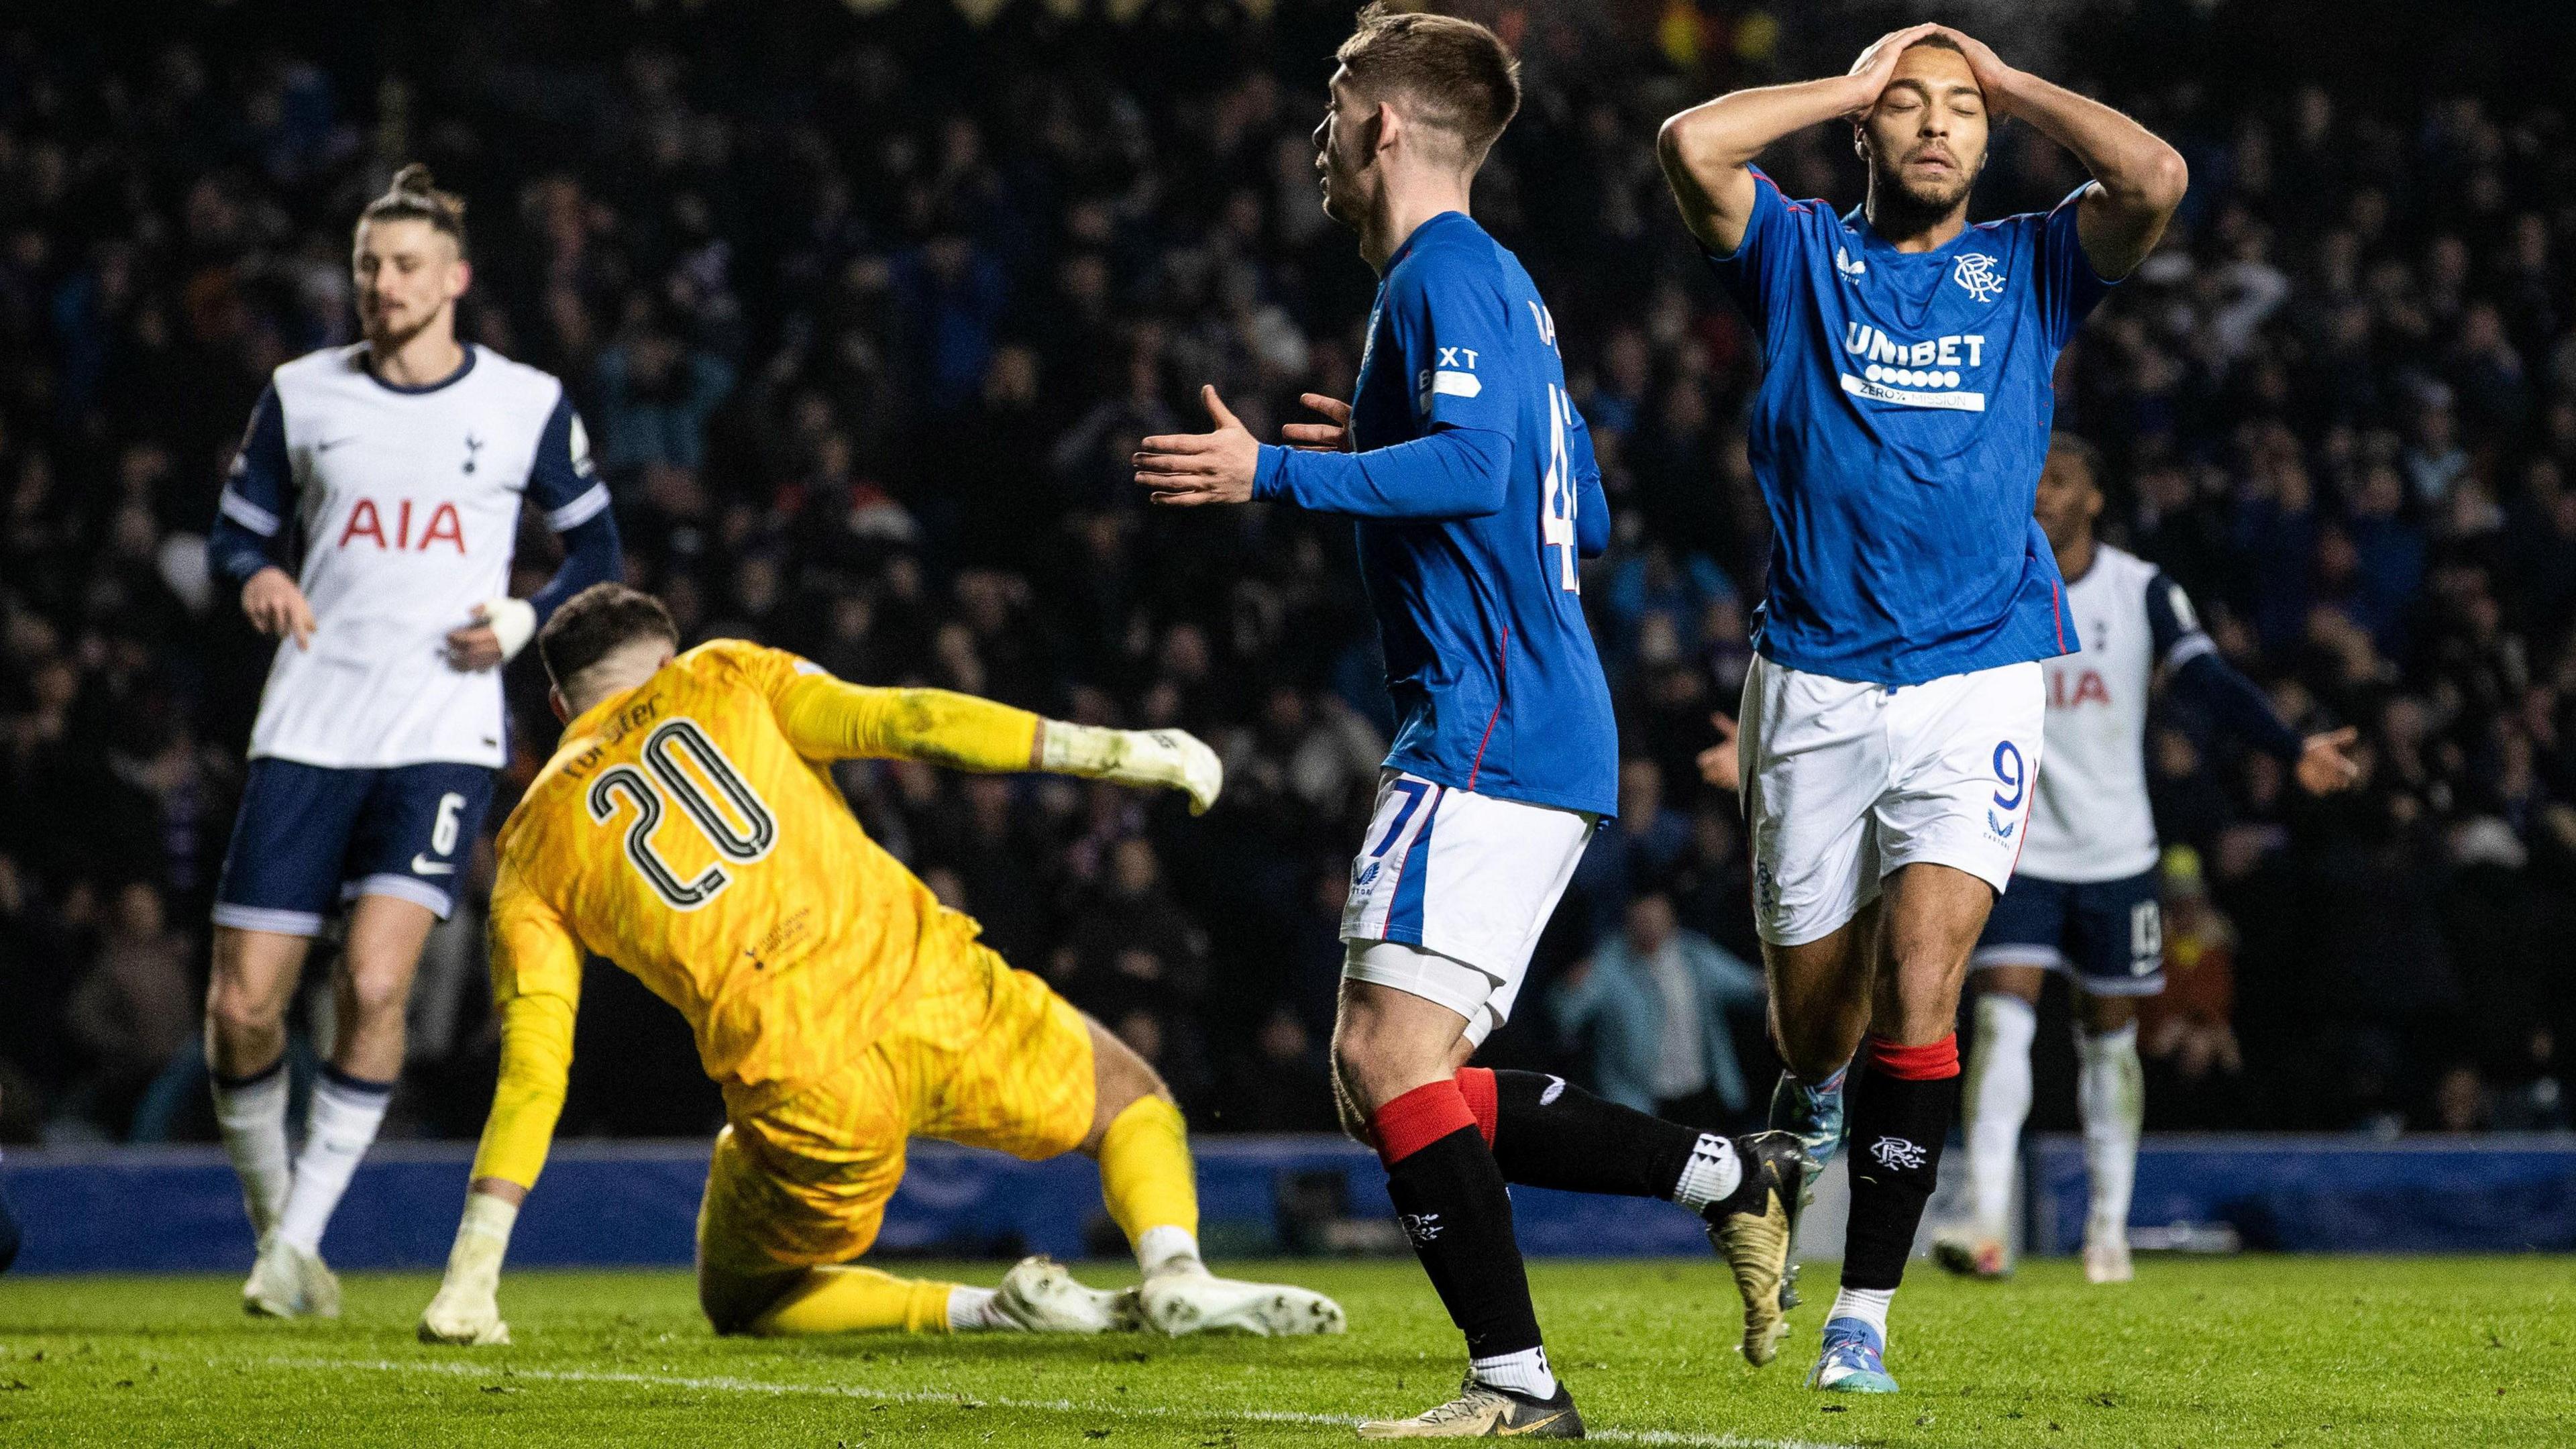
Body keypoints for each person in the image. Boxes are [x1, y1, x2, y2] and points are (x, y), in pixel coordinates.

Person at [1136, 7, 1806, 1435]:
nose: (1316, 135)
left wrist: (1274, 474)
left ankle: (1517, 1383)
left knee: (1386, 1065)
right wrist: (1386, 454)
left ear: (1383, 124)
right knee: (1388, 1077)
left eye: (1332, 102)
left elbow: (1482, 463)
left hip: (1490, 725)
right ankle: (1724, 1175)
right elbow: (1583, 505)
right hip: (1529, 720)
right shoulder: (1497, 288)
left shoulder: (1443, 274)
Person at [1656, 23, 2188, 1392]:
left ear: (1991, 135)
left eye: (1962, 111)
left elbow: (2157, 178)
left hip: (1982, 673)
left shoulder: (2031, 264)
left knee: (1925, 984)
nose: (1938, 126)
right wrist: (1854, 75)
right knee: (1815, 1026)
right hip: (1817, 678)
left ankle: (1864, 1320)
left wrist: (2007, 81)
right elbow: (1691, 145)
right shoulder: (1797, 255)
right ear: (1862, 135)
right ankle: (1810, 1106)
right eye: (1909, 107)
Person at [415, 584, 1343, 1346]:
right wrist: (1113, 752)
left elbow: (536, 1068)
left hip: (800, 1078)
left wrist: (472, 1274)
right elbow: (909, 721)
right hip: (925, 984)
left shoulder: (533, 840)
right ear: (663, 661)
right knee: (1129, 1097)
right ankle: (1175, 1265)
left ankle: (986, 1311)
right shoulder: (723, 671)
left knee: (751, 1299)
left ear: (558, 705)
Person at [201, 166, 625, 1318]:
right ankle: (278, 1227)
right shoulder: (303, 393)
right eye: (367, 267)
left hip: (440, 730)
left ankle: (296, 1248)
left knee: (378, 980)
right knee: (243, 1008)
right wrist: (264, 576)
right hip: (308, 723)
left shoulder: (526, 404)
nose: (381, 285)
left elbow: (599, 553)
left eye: (401, 266)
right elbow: (234, 536)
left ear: (455, 279)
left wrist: (527, 617)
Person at [1938, 436, 2359, 1285]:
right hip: (2015, 847)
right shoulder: (1989, 583)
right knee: (1999, 1023)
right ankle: (1987, 1223)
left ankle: (2106, 1231)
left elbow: (2206, 679)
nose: (2042, 496)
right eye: (2034, 480)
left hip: (2117, 854)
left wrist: (2288, 746)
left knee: (2109, 1040)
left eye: (2060, 481)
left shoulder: (2141, 590)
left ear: (2095, 496)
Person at [1549, 890, 1767, 1127]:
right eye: (1641, 920)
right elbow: (1567, 1016)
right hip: (1638, 1101)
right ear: (1628, 922)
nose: (1649, 927)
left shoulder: (1693, 954)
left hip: (1699, 1092)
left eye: (1656, 918)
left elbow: (1746, 985)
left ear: (1671, 918)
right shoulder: (1610, 963)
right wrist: (1569, 989)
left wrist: (1776, 983)